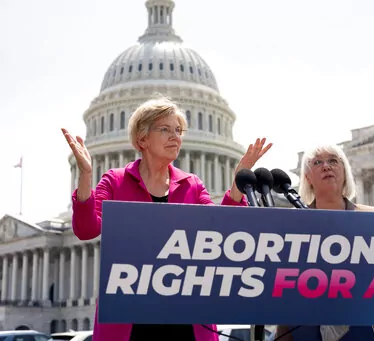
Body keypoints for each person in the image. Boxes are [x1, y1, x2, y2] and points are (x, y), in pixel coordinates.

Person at [62, 96, 272, 341]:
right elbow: (86, 229)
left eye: (178, 130)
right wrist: (86, 175)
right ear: (142, 139)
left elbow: (221, 231)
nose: (176, 136)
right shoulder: (116, 182)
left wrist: (238, 181)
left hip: (187, 318)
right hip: (130, 319)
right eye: (165, 130)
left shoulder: (191, 185)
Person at [275, 143, 374, 341]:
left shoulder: (372, 217)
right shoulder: (292, 222)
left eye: (333, 161)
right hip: (304, 327)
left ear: (345, 171)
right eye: (317, 162)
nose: (326, 166)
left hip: (360, 326)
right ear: (307, 177)